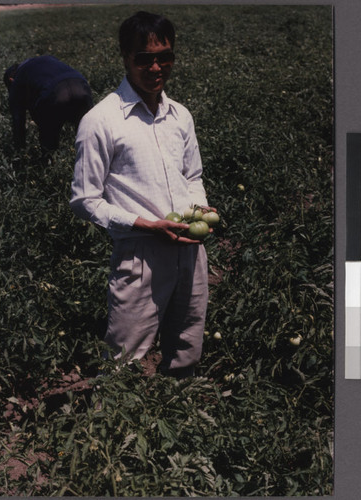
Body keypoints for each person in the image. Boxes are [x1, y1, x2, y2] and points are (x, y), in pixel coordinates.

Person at [70, 11, 214, 379]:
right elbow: (85, 200)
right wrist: (146, 224)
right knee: (123, 358)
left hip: (190, 247)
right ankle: (114, 429)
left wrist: (199, 209)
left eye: (164, 56)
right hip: (140, 253)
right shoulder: (101, 121)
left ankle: (177, 421)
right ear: (124, 57)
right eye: (143, 58)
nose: (155, 67)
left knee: (187, 347)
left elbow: (192, 175)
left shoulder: (180, 116)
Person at [3, 55, 93, 151]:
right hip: (81, 86)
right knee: (89, 140)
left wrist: (19, 151)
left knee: (49, 146)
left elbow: (18, 120)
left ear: (11, 80)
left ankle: (49, 161)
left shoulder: (17, 79)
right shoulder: (46, 59)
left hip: (56, 93)